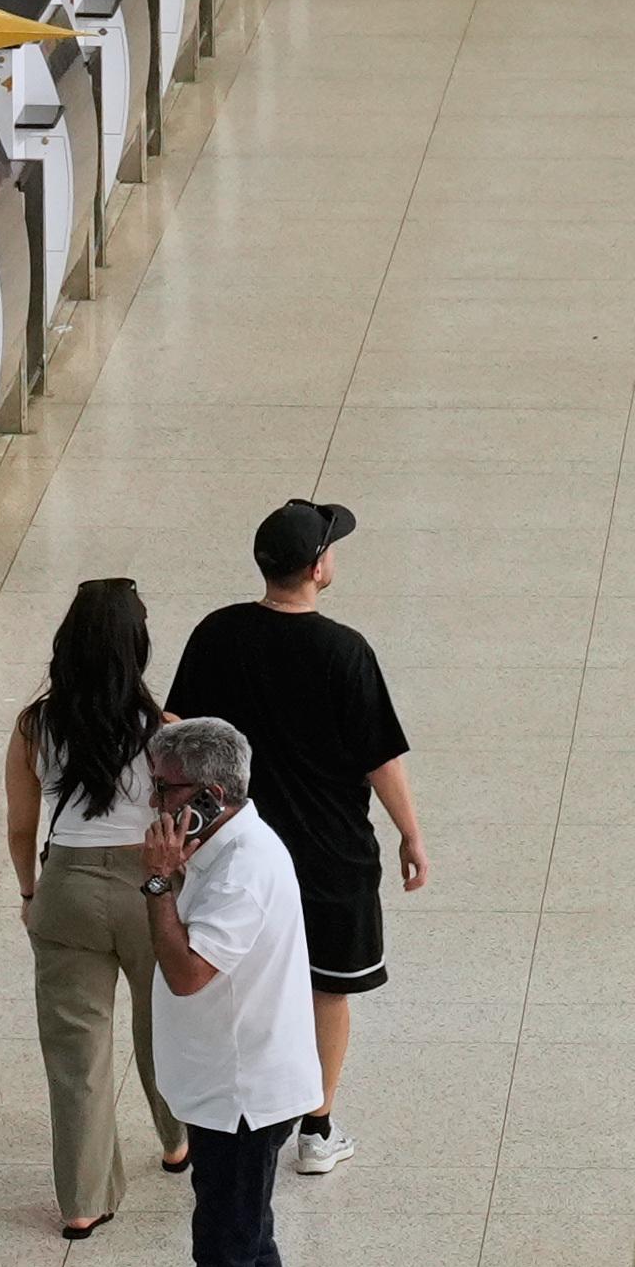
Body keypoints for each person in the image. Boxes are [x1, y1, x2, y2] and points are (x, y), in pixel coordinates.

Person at [171, 502, 427, 1172]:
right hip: (329, 853)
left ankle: (219, 1114)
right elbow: (380, 757)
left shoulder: (216, 634)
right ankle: (317, 1129)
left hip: (233, 847)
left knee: (232, 976)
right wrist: (410, 833)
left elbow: (176, 729)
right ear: (316, 568)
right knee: (327, 988)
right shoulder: (345, 651)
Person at [126, 716, 326, 1267]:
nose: (153, 802)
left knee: (223, 1249)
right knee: (247, 1232)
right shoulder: (218, 848)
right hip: (223, 1084)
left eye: (164, 788)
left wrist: (157, 882)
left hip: (244, 1093)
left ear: (210, 794)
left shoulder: (244, 868)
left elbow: (187, 974)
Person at [3, 580, 183, 1234]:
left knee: (76, 1051)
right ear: (138, 647)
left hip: (67, 888)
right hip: (148, 889)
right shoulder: (164, 732)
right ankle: (177, 1141)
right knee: (163, 1023)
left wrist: (31, 893)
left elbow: (20, 827)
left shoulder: (35, 726)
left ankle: (82, 1202)